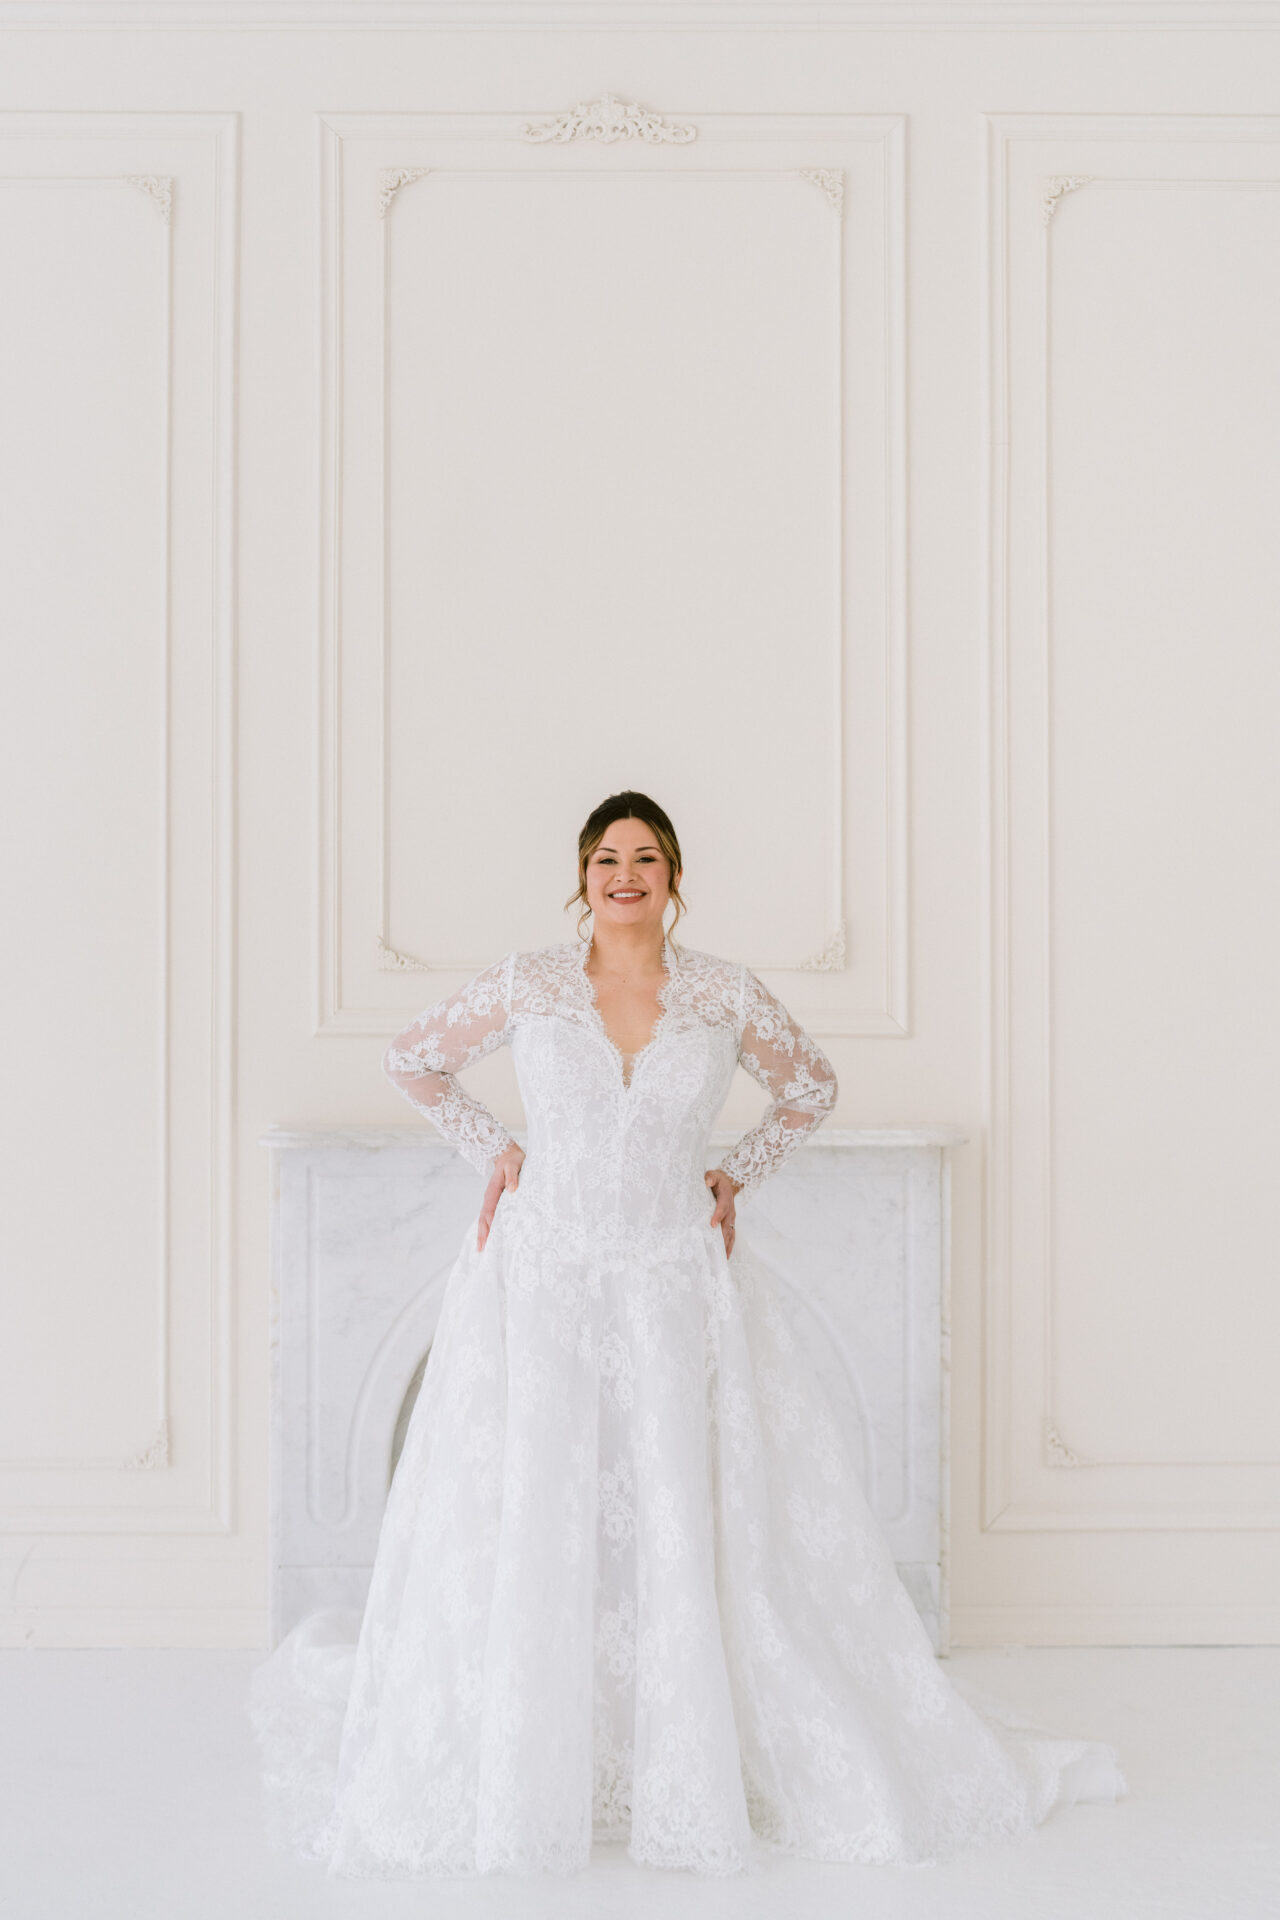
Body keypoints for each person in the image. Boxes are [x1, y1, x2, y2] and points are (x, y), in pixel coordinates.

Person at [248, 789, 1126, 1878]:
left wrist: (732, 1173)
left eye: (646, 856)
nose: (626, 874)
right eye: (607, 857)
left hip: (670, 1280)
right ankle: (538, 1750)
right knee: (548, 1502)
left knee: (673, 1505)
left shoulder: (718, 994)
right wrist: (496, 1150)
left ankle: (680, 1751)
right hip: (547, 1275)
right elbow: (413, 1058)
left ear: (672, 875)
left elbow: (810, 1088)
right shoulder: (530, 984)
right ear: (582, 876)